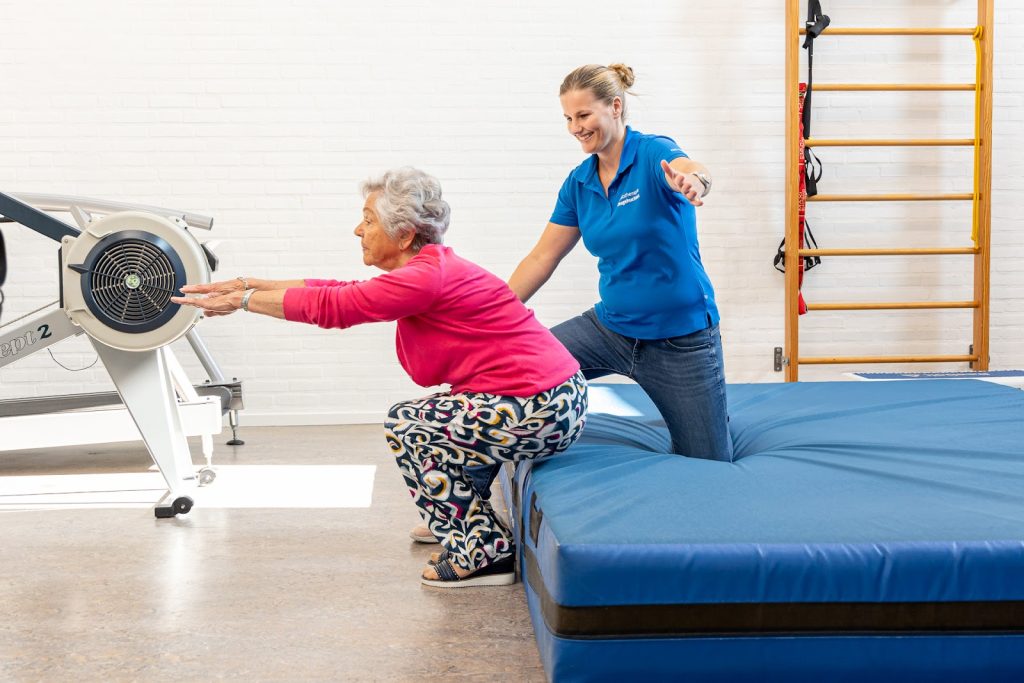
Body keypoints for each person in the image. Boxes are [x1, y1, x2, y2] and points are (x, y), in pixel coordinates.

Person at [172, 167, 588, 587]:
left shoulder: (426, 278)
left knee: (408, 424)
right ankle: (459, 515)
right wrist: (251, 283)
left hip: (544, 407)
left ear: (404, 234)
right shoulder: (429, 269)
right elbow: (337, 288)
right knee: (441, 415)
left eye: (369, 220)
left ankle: (482, 551)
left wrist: (243, 301)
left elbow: (338, 307)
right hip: (550, 399)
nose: (358, 229)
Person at [507, 63, 732, 462]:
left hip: (680, 339)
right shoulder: (579, 182)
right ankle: (460, 503)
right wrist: (492, 311)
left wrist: (696, 182)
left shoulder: (652, 154)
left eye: (583, 115)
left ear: (614, 106)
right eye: (568, 118)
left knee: (709, 461)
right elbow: (542, 257)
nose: (575, 127)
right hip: (611, 328)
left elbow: (690, 168)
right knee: (510, 372)